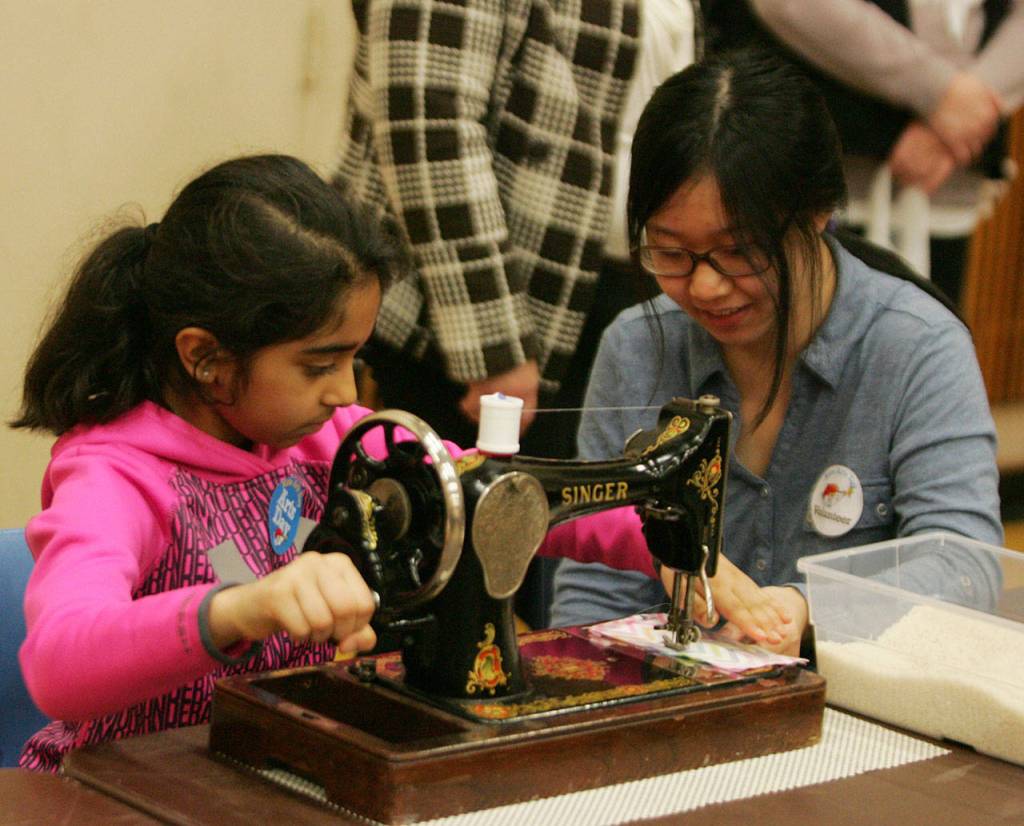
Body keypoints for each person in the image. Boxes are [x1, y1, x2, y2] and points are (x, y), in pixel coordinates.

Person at [8, 153, 666, 772]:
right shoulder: (116, 474)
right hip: (128, 794)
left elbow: (493, 497)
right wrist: (242, 608)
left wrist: (667, 546)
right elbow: (60, 667)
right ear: (205, 356)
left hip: (270, 776)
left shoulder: (325, 439)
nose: (347, 392)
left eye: (355, 359)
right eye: (320, 364)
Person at [551, 49, 1004, 652]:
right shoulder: (634, 348)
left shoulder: (916, 347)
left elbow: (965, 567)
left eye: (739, 251)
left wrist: (818, 610)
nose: (706, 285)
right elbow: (594, 594)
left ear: (819, 212)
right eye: (671, 252)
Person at [332, 0, 646, 628]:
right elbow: (428, 116)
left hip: (589, 301)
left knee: (528, 575)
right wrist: (493, 345)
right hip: (470, 330)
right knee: (442, 592)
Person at [701, 0, 1024, 304]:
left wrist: (970, 108)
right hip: (822, 170)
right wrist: (939, 92)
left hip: (952, 184)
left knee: (930, 344)